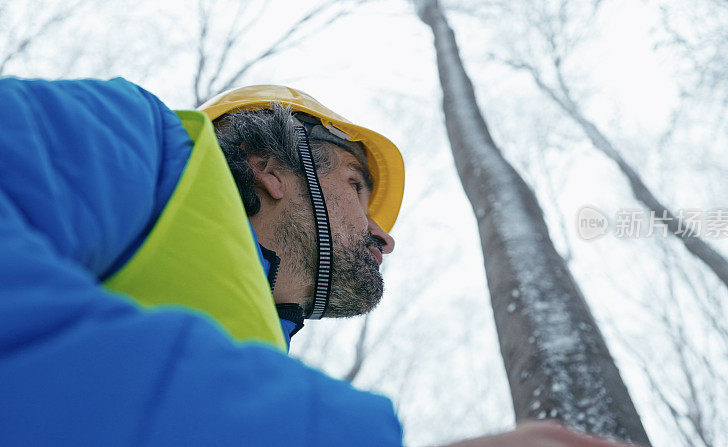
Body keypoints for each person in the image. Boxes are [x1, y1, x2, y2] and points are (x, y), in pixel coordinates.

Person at [0, 77, 634, 446]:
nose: (385, 238)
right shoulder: (144, 142)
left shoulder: (261, 352)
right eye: (358, 186)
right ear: (270, 167)